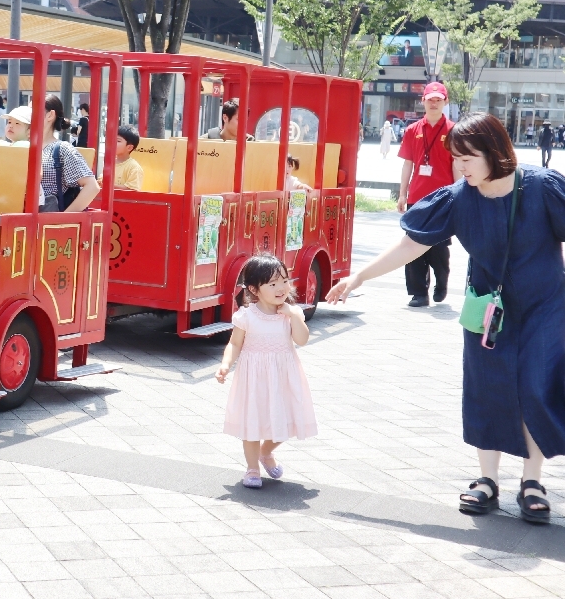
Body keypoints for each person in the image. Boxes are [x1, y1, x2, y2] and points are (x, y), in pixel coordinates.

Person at [327, 112, 565, 523]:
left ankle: (531, 481)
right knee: (486, 386)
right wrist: (359, 276)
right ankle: (487, 480)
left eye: (467, 158)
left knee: (535, 386)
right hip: (489, 310)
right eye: (455, 158)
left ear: (494, 152)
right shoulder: (458, 198)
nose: (459, 167)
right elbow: (411, 245)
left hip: (545, 306)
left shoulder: (543, 187)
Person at [216, 254, 316, 489]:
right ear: (254, 289)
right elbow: (235, 343)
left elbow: (302, 340)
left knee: (285, 421)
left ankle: (266, 452)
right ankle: (252, 468)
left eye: (284, 280)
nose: (281, 288)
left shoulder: (291, 314)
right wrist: (225, 364)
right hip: (254, 379)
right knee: (252, 423)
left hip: (283, 377)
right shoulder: (247, 316)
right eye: (272, 284)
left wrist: (293, 316)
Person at [397, 82, 454, 308]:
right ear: (423, 101)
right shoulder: (413, 130)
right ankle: (418, 292)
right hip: (417, 197)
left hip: (443, 197)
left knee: (439, 247)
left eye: (438, 99)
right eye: (430, 99)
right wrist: (402, 194)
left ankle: (441, 282)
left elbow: (457, 164)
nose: (434, 102)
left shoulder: (452, 130)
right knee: (412, 245)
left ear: (445, 102)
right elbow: (407, 164)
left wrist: (460, 194)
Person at [39, 95, 100, 213]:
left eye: (33, 111)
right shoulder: (22, 146)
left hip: (48, 223)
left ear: (50, 115)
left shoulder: (62, 149)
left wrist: (63, 220)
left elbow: (92, 187)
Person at [114, 124, 144, 191]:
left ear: (129, 147)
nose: (113, 143)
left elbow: (132, 190)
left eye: (118, 141)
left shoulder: (134, 168)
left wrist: (109, 185)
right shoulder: (110, 163)